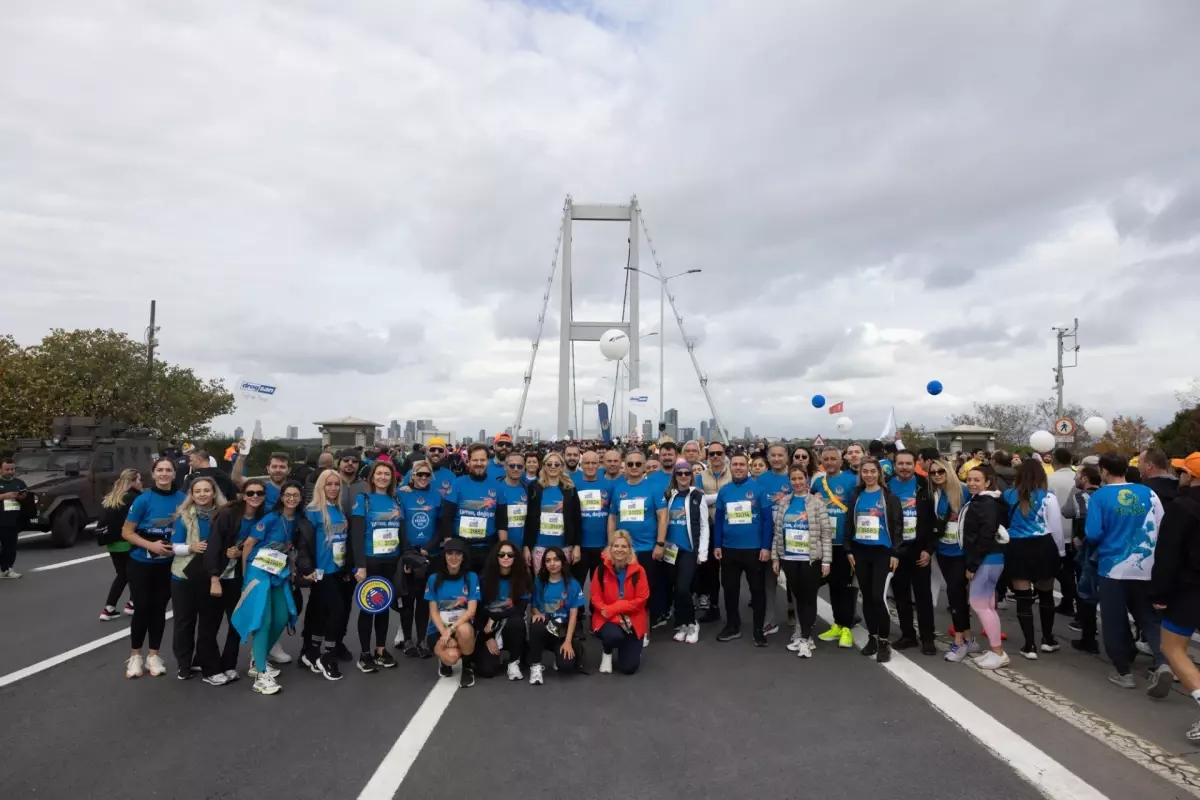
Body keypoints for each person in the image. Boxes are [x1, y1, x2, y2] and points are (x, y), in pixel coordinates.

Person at [1086, 453, 1170, 695]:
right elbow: (1162, 524)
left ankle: (1124, 673)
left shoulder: (1100, 496)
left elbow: (1093, 533)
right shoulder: (1148, 492)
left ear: (1103, 471)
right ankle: (1163, 662)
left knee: (1113, 620)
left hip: (1113, 568)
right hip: (1146, 566)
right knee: (1149, 618)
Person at [232, 481, 303, 695]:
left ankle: (258, 656)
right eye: (287, 495)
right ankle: (261, 675)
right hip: (258, 571)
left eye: (295, 495)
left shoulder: (298, 520)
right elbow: (249, 544)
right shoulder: (271, 518)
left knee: (282, 616)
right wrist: (246, 576)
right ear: (281, 497)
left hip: (278, 573)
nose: (291, 498)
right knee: (264, 620)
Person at [121, 457, 186, 679]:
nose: (164, 474)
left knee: (159, 609)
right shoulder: (143, 499)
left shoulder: (183, 499)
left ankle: (153, 655)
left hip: (168, 564)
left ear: (174, 474)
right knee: (142, 608)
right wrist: (152, 546)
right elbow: (127, 532)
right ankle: (135, 656)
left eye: (169, 470)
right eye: (160, 470)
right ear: (153, 473)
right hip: (141, 563)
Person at [1150, 453, 1200, 740]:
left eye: (1182, 471)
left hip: (1189, 590)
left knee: (1172, 648)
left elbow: (1167, 556)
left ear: (1191, 477)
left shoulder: (1182, 507)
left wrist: (1159, 594)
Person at [204, 478, 269, 683]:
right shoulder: (228, 515)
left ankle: (229, 665)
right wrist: (214, 577)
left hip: (239, 576)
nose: (255, 497)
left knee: (236, 622)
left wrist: (240, 551)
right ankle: (210, 670)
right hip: (218, 574)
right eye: (250, 493)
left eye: (259, 493)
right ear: (242, 495)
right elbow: (213, 545)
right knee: (210, 625)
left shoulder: (263, 517)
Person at [1002, 458, 1064, 660]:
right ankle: (1048, 639)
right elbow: (1055, 527)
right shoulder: (1048, 497)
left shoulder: (1008, 495)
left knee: (1023, 598)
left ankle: (1029, 645)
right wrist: (1060, 552)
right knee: (1046, 595)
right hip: (1043, 546)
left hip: (1017, 547)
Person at [168, 476, 227, 684]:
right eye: (198, 491)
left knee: (209, 623)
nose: (202, 494)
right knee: (184, 623)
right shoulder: (183, 516)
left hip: (213, 576)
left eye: (206, 490)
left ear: (214, 493)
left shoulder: (223, 515)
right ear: (191, 495)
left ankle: (201, 660)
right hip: (184, 575)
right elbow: (172, 547)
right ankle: (183, 665)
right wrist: (191, 547)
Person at [770, 464, 833, 658]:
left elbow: (825, 533)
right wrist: (775, 557)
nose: (797, 482)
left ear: (806, 479)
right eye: (793, 479)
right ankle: (804, 635)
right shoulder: (785, 503)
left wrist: (826, 561)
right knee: (798, 597)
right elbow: (777, 532)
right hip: (789, 557)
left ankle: (806, 638)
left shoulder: (816, 503)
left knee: (809, 598)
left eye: (800, 478)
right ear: (789, 481)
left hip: (810, 559)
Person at [349, 461, 404, 674]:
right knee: (368, 607)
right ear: (372, 477)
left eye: (386, 474)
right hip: (370, 561)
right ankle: (364, 653)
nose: (382, 477)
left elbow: (400, 530)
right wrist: (360, 566)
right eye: (379, 474)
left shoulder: (395, 500)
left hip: (390, 560)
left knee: (383, 606)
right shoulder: (364, 500)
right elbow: (356, 535)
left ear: (392, 478)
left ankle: (381, 649)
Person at [294, 468, 349, 681]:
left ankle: (310, 652)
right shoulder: (313, 511)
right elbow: (304, 545)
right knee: (337, 611)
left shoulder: (339, 509)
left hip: (337, 570)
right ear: (321, 486)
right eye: (329, 484)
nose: (333, 488)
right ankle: (328, 655)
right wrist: (307, 570)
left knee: (318, 612)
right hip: (320, 572)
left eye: (336, 484)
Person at [846, 458, 903, 662]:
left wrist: (895, 552)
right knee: (867, 597)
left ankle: (884, 641)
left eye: (873, 471)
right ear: (860, 474)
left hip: (882, 553)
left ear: (879, 473)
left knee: (879, 597)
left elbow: (897, 527)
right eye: (865, 471)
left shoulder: (889, 497)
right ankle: (873, 636)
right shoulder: (856, 496)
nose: (869, 475)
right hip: (860, 552)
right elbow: (848, 525)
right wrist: (848, 550)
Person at [713, 453, 771, 646]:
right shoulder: (724, 491)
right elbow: (719, 519)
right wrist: (717, 544)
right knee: (730, 590)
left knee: (757, 591)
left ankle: (758, 629)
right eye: (735, 464)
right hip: (729, 549)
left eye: (742, 465)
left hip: (754, 549)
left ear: (748, 467)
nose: (738, 468)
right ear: (731, 467)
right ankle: (732, 625)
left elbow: (767, 521)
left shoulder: (759, 489)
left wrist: (766, 546)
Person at [888, 450, 937, 655]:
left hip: (919, 548)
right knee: (901, 595)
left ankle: (927, 638)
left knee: (923, 595)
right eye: (901, 464)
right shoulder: (886, 485)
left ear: (914, 464)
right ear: (895, 465)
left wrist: (929, 549)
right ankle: (908, 634)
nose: (905, 467)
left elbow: (934, 520)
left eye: (909, 463)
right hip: (897, 549)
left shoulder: (925, 485)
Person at [961, 465, 1010, 669]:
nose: (972, 483)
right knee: (988, 606)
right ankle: (994, 649)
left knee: (980, 605)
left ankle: (998, 652)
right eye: (969, 479)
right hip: (993, 558)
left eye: (977, 480)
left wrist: (973, 564)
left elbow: (984, 534)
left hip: (986, 559)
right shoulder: (992, 500)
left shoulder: (984, 503)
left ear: (987, 482)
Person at [929, 459, 976, 662]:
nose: (938, 475)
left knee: (955, 595)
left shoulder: (964, 492)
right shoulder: (934, 494)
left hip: (960, 553)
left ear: (948, 471)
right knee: (956, 595)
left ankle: (959, 641)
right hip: (942, 551)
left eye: (941, 471)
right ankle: (968, 638)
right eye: (933, 472)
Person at [812, 447, 859, 649]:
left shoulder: (851, 481)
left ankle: (846, 627)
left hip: (843, 544)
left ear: (841, 462)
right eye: (826, 459)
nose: (830, 462)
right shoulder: (817, 483)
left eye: (833, 459)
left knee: (845, 587)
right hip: (824, 544)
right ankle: (838, 624)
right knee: (832, 586)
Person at [395, 460, 442, 658]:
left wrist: (427, 549)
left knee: (424, 601)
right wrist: (409, 553)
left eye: (426, 475)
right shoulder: (402, 494)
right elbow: (400, 525)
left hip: (429, 555)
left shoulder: (437, 495)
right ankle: (407, 639)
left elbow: (440, 527)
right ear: (412, 476)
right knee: (408, 601)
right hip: (409, 553)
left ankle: (422, 640)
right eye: (419, 474)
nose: (423, 478)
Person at [661, 459, 710, 644]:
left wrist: (702, 552)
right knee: (676, 590)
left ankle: (692, 623)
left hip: (689, 550)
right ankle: (681, 623)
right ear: (675, 476)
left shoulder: (698, 496)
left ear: (692, 476)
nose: (683, 477)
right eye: (679, 473)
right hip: (671, 551)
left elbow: (704, 525)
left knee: (683, 588)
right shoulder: (669, 495)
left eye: (687, 473)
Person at [590, 530, 649, 675]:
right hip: (608, 619)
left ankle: (630, 648)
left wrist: (615, 608)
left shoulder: (639, 571)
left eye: (624, 546)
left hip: (632, 620)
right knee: (612, 635)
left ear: (630, 549)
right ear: (610, 548)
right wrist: (614, 616)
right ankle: (607, 652)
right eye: (616, 546)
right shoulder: (601, 570)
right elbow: (595, 598)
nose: (619, 550)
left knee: (629, 668)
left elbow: (641, 600)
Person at [425, 538, 480, 688]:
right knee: (452, 657)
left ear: (463, 557)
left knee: (465, 630)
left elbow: (471, 610)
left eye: (458, 554)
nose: (454, 557)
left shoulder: (471, 577)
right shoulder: (433, 579)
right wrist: (444, 632)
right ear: (444, 556)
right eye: (450, 553)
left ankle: (468, 668)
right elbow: (434, 612)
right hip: (439, 629)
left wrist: (451, 630)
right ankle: (444, 661)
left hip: (459, 627)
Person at [528, 546, 586, 684]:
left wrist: (567, 642)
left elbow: (573, 615)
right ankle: (535, 667)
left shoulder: (573, 584)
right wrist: (537, 614)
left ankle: (558, 654)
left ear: (562, 562)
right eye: (548, 561)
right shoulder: (539, 582)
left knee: (566, 666)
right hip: (545, 628)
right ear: (544, 564)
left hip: (562, 631)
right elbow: (534, 606)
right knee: (536, 624)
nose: (552, 564)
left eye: (556, 560)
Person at [475, 541, 531, 680]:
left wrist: (495, 616)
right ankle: (494, 655)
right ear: (496, 557)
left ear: (515, 558)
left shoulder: (523, 578)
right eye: (501, 554)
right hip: (489, 628)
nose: (506, 557)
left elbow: (520, 609)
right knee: (486, 671)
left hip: (511, 625)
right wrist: (487, 637)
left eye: (510, 555)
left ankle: (513, 662)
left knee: (516, 622)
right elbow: (477, 611)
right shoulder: (484, 579)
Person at [524, 451, 583, 575]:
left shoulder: (570, 489)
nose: (553, 467)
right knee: (540, 584)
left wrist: (577, 546)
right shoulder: (535, 487)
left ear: (562, 466)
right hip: (540, 545)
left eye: (557, 464)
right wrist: (526, 546)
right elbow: (529, 519)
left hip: (563, 546)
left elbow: (576, 519)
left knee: (561, 584)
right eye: (549, 464)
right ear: (544, 466)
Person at [97, 469, 141, 620]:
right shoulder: (134, 498)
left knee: (123, 574)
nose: (141, 483)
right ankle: (130, 604)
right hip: (127, 542)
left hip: (112, 543)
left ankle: (110, 608)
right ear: (133, 481)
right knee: (134, 573)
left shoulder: (112, 497)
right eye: (139, 480)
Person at [0, 455, 29, 579]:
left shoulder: (19, 483)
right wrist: (3, 496)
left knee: (10, 547)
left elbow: (26, 497)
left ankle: (7, 569)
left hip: (12, 520)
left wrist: (20, 497)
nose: (10, 472)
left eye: (12, 469)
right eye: (7, 469)